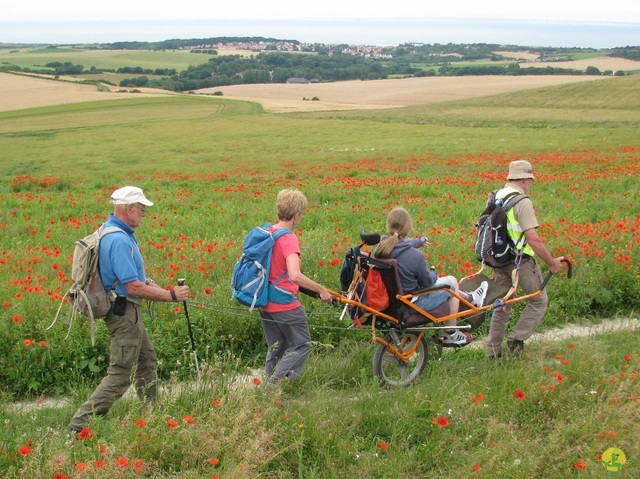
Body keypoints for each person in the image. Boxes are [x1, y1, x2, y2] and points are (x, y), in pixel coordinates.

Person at [67, 186, 190, 435]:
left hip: (125, 311)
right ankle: (77, 427)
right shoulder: (120, 240)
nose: (143, 213)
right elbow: (132, 285)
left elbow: (127, 279)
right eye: (142, 209)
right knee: (120, 375)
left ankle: (152, 415)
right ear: (129, 208)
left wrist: (148, 284)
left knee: (147, 360)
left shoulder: (112, 231)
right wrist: (170, 295)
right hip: (124, 314)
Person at [373, 206, 488, 347]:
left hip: (393, 301)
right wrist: (433, 272)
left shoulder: (380, 249)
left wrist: (419, 241)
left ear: (388, 225)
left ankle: (471, 298)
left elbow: (403, 244)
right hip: (414, 303)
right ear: (408, 228)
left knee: (446, 283)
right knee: (451, 282)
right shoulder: (415, 256)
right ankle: (451, 332)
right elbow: (428, 282)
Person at [485, 160, 564, 358]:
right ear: (523, 179)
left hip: (498, 260)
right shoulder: (522, 201)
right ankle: (516, 340)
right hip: (520, 262)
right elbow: (534, 240)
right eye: (530, 180)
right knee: (538, 300)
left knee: (503, 304)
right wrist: (552, 262)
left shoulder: (495, 196)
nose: (530, 184)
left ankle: (492, 352)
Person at [258, 189, 333, 383]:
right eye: (302, 214)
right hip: (284, 303)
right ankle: (275, 385)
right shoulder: (288, 237)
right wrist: (321, 290)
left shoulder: (268, 231)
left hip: (265, 301)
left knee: (276, 346)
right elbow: (294, 275)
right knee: (302, 345)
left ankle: (271, 387)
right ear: (296, 215)